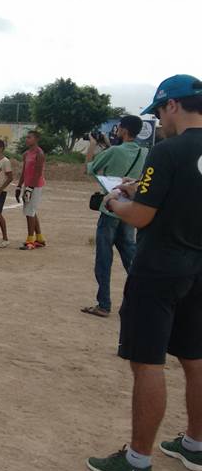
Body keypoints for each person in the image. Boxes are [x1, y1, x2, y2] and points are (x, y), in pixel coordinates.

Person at [86, 74, 202, 471]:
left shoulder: (168, 152)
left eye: (159, 112)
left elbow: (141, 216)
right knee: (193, 355)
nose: (160, 120)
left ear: (172, 106)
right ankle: (195, 444)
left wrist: (116, 200)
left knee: (147, 360)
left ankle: (137, 460)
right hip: (197, 262)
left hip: (161, 267)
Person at [81, 115, 147, 318]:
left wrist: (92, 145)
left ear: (124, 130)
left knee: (104, 257)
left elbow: (89, 168)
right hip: (130, 209)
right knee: (130, 256)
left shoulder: (115, 151)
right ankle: (143, 300)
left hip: (111, 208)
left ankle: (104, 303)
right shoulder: (144, 152)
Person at [16, 130, 46, 250]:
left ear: (36, 139)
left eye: (29, 137)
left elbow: (38, 173)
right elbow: (24, 171)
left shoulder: (40, 153)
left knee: (30, 212)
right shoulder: (26, 154)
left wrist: (30, 188)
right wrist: (19, 186)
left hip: (35, 186)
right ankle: (39, 238)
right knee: (31, 211)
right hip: (28, 185)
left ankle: (30, 240)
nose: (27, 139)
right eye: (26, 137)